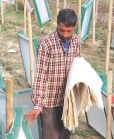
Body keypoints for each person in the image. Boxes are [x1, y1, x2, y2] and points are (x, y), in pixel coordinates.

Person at [24, 9, 81, 139]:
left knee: (66, 133)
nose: (65, 35)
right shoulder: (46, 43)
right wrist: (38, 105)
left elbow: (77, 69)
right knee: (51, 135)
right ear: (57, 24)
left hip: (67, 100)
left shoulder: (77, 43)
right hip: (49, 101)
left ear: (75, 27)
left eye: (69, 31)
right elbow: (41, 75)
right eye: (62, 30)